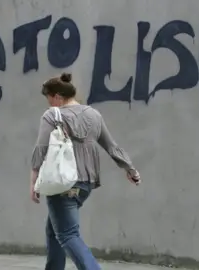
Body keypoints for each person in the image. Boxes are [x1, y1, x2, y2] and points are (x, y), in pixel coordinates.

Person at [29, 72, 141, 270]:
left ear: (57, 97)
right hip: (86, 183)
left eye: (49, 100)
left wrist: (34, 180)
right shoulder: (93, 115)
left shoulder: (52, 116)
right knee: (54, 229)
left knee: (67, 234)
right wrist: (130, 169)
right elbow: (111, 146)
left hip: (62, 183)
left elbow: (41, 148)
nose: (49, 105)